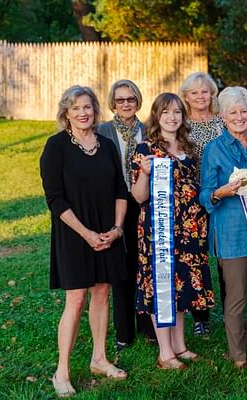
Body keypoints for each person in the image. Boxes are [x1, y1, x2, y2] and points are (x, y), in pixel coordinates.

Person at [39, 85, 128, 397]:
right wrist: (86, 234)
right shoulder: (56, 146)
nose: (83, 112)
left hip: (107, 232)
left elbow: (120, 188)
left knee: (102, 293)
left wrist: (116, 229)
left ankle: (99, 358)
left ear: (95, 110)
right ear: (66, 112)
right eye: (76, 107)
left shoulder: (106, 145)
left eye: (88, 107)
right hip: (74, 233)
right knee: (76, 300)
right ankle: (61, 370)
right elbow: (55, 199)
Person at [131, 93, 215, 370]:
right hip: (160, 230)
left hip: (190, 229)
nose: (172, 117)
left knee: (182, 285)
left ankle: (179, 345)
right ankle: (165, 352)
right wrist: (144, 173)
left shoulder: (189, 147)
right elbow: (139, 197)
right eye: (166, 112)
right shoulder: (145, 148)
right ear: (156, 115)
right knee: (162, 284)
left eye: (177, 111)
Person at [200, 86, 247, 369]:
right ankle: (239, 354)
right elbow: (205, 193)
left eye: (243, 111)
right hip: (231, 232)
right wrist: (222, 192)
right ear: (222, 116)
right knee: (236, 297)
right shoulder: (213, 149)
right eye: (233, 112)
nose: (240, 117)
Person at [97, 79, 157, 351]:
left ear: (138, 101)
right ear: (113, 103)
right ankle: (124, 332)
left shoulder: (148, 131)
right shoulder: (103, 132)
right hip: (116, 204)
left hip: (144, 203)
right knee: (121, 268)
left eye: (130, 99)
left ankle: (147, 326)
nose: (125, 104)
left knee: (144, 265)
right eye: (120, 100)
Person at [179, 71, 225, 336]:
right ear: (186, 97)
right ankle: (200, 317)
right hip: (191, 200)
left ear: (212, 95)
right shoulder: (180, 124)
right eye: (194, 92)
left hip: (222, 196)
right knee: (196, 257)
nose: (200, 96)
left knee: (225, 257)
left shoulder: (221, 122)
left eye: (204, 91)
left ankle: (232, 307)